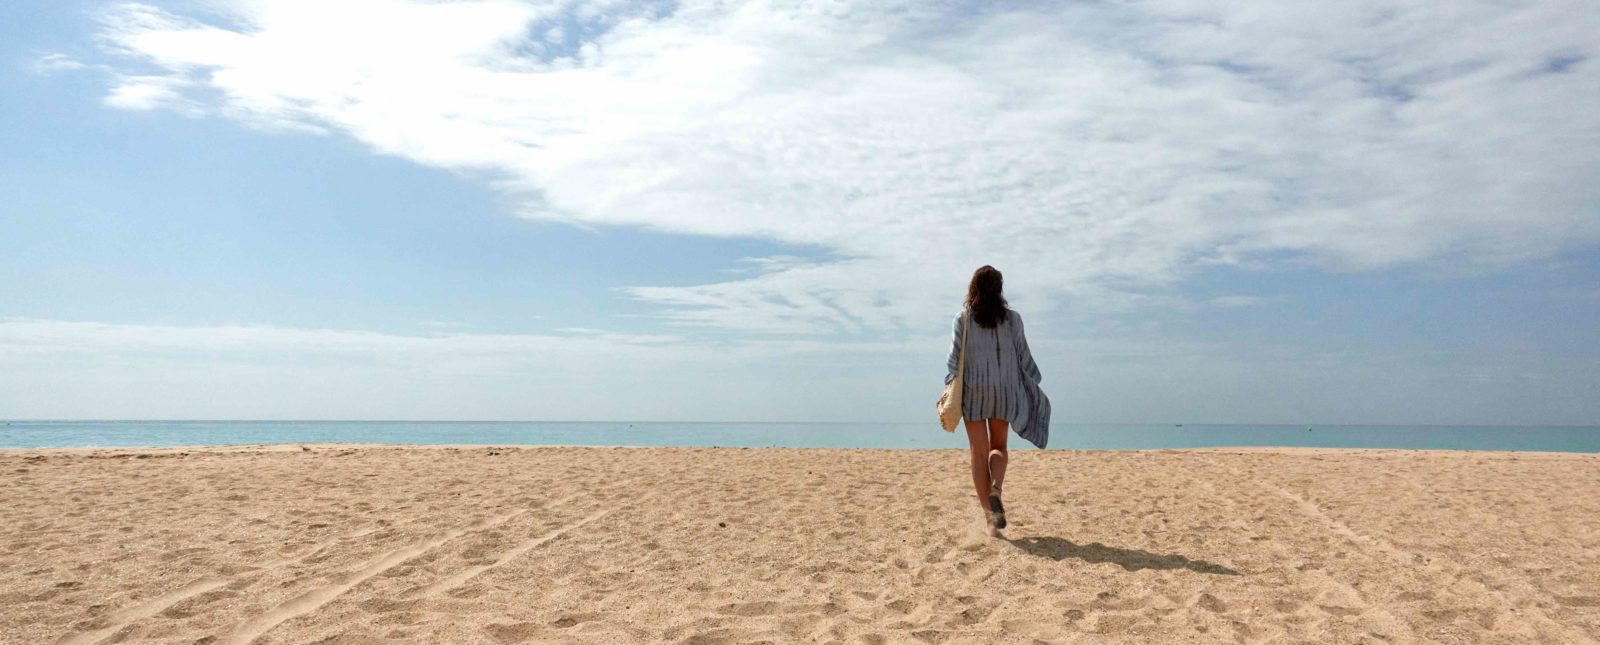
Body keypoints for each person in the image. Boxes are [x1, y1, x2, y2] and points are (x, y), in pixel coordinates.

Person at [945, 265, 1050, 536]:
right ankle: (996, 489)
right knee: (999, 447)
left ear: (973, 288)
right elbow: (1024, 356)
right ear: (999, 290)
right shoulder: (1013, 319)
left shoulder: (963, 319)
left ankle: (991, 521)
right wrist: (1034, 383)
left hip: (974, 392)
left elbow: (954, 360)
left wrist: (949, 385)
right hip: (1004, 392)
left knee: (977, 453)